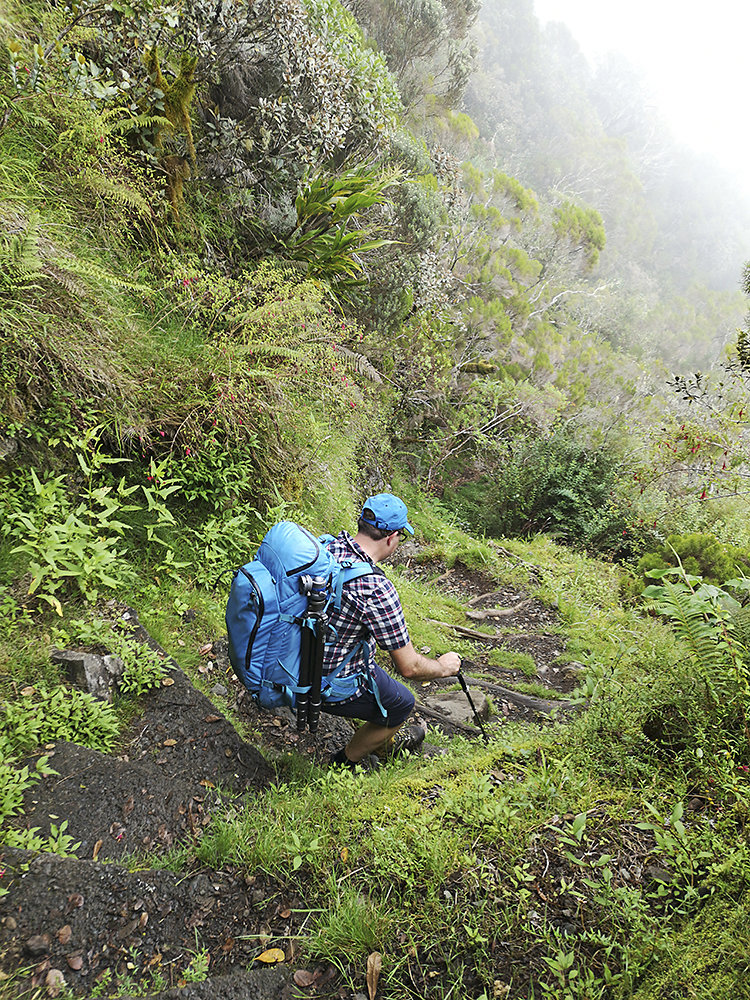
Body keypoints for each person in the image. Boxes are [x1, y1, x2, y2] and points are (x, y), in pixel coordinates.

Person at [321, 492, 461, 769]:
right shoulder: (376, 588)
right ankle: (344, 762)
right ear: (391, 537)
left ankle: (385, 745)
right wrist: (445, 667)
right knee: (401, 702)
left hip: (288, 660)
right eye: (401, 537)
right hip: (325, 681)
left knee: (381, 678)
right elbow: (409, 668)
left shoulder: (324, 548)